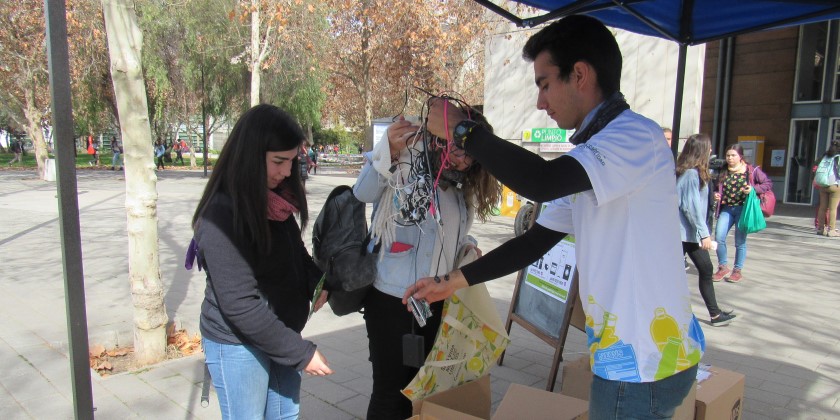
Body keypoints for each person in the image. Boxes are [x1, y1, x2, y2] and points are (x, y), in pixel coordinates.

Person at [404, 15, 704, 419]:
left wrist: (463, 131)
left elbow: (541, 181)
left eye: (544, 84)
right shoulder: (594, 159)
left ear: (579, 74)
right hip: (633, 359)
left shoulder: (635, 136)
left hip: (642, 365)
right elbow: (534, 242)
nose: (540, 102)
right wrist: (451, 282)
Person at [354, 113, 501, 419]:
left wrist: (467, 247)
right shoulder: (405, 162)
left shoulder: (459, 187)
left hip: (435, 302)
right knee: (390, 393)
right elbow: (363, 193)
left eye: (471, 156)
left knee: (420, 393)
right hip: (393, 300)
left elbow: (452, 233)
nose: (462, 160)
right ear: (443, 138)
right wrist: (388, 149)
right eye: (459, 149)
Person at [191, 104, 333, 419]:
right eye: (278, 161)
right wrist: (300, 353)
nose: (287, 172)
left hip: (279, 334)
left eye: (292, 161)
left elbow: (294, 252)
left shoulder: (274, 200)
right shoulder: (220, 215)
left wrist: (316, 281)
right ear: (250, 156)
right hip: (238, 343)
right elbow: (240, 304)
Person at [676, 134, 736, 326]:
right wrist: (704, 235)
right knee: (703, 269)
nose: (711, 151)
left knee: (704, 269)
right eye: (708, 148)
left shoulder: (693, 173)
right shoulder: (691, 174)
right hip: (687, 234)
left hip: (688, 234)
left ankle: (715, 314)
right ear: (700, 150)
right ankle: (714, 314)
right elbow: (690, 208)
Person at [712, 144, 773, 283]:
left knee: (740, 241)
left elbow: (767, 183)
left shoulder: (751, 170)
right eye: (728, 155)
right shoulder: (723, 170)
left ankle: (737, 270)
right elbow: (716, 187)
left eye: (733, 155)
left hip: (743, 209)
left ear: (740, 156)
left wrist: (753, 189)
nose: (730, 158)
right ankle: (722, 267)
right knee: (719, 237)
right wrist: (716, 194)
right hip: (727, 209)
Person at [815, 140, 840, 237]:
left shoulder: (825, 156)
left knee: (822, 207)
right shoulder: (838, 157)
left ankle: (821, 229)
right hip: (834, 184)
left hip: (823, 184)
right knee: (833, 209)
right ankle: (832, 230)